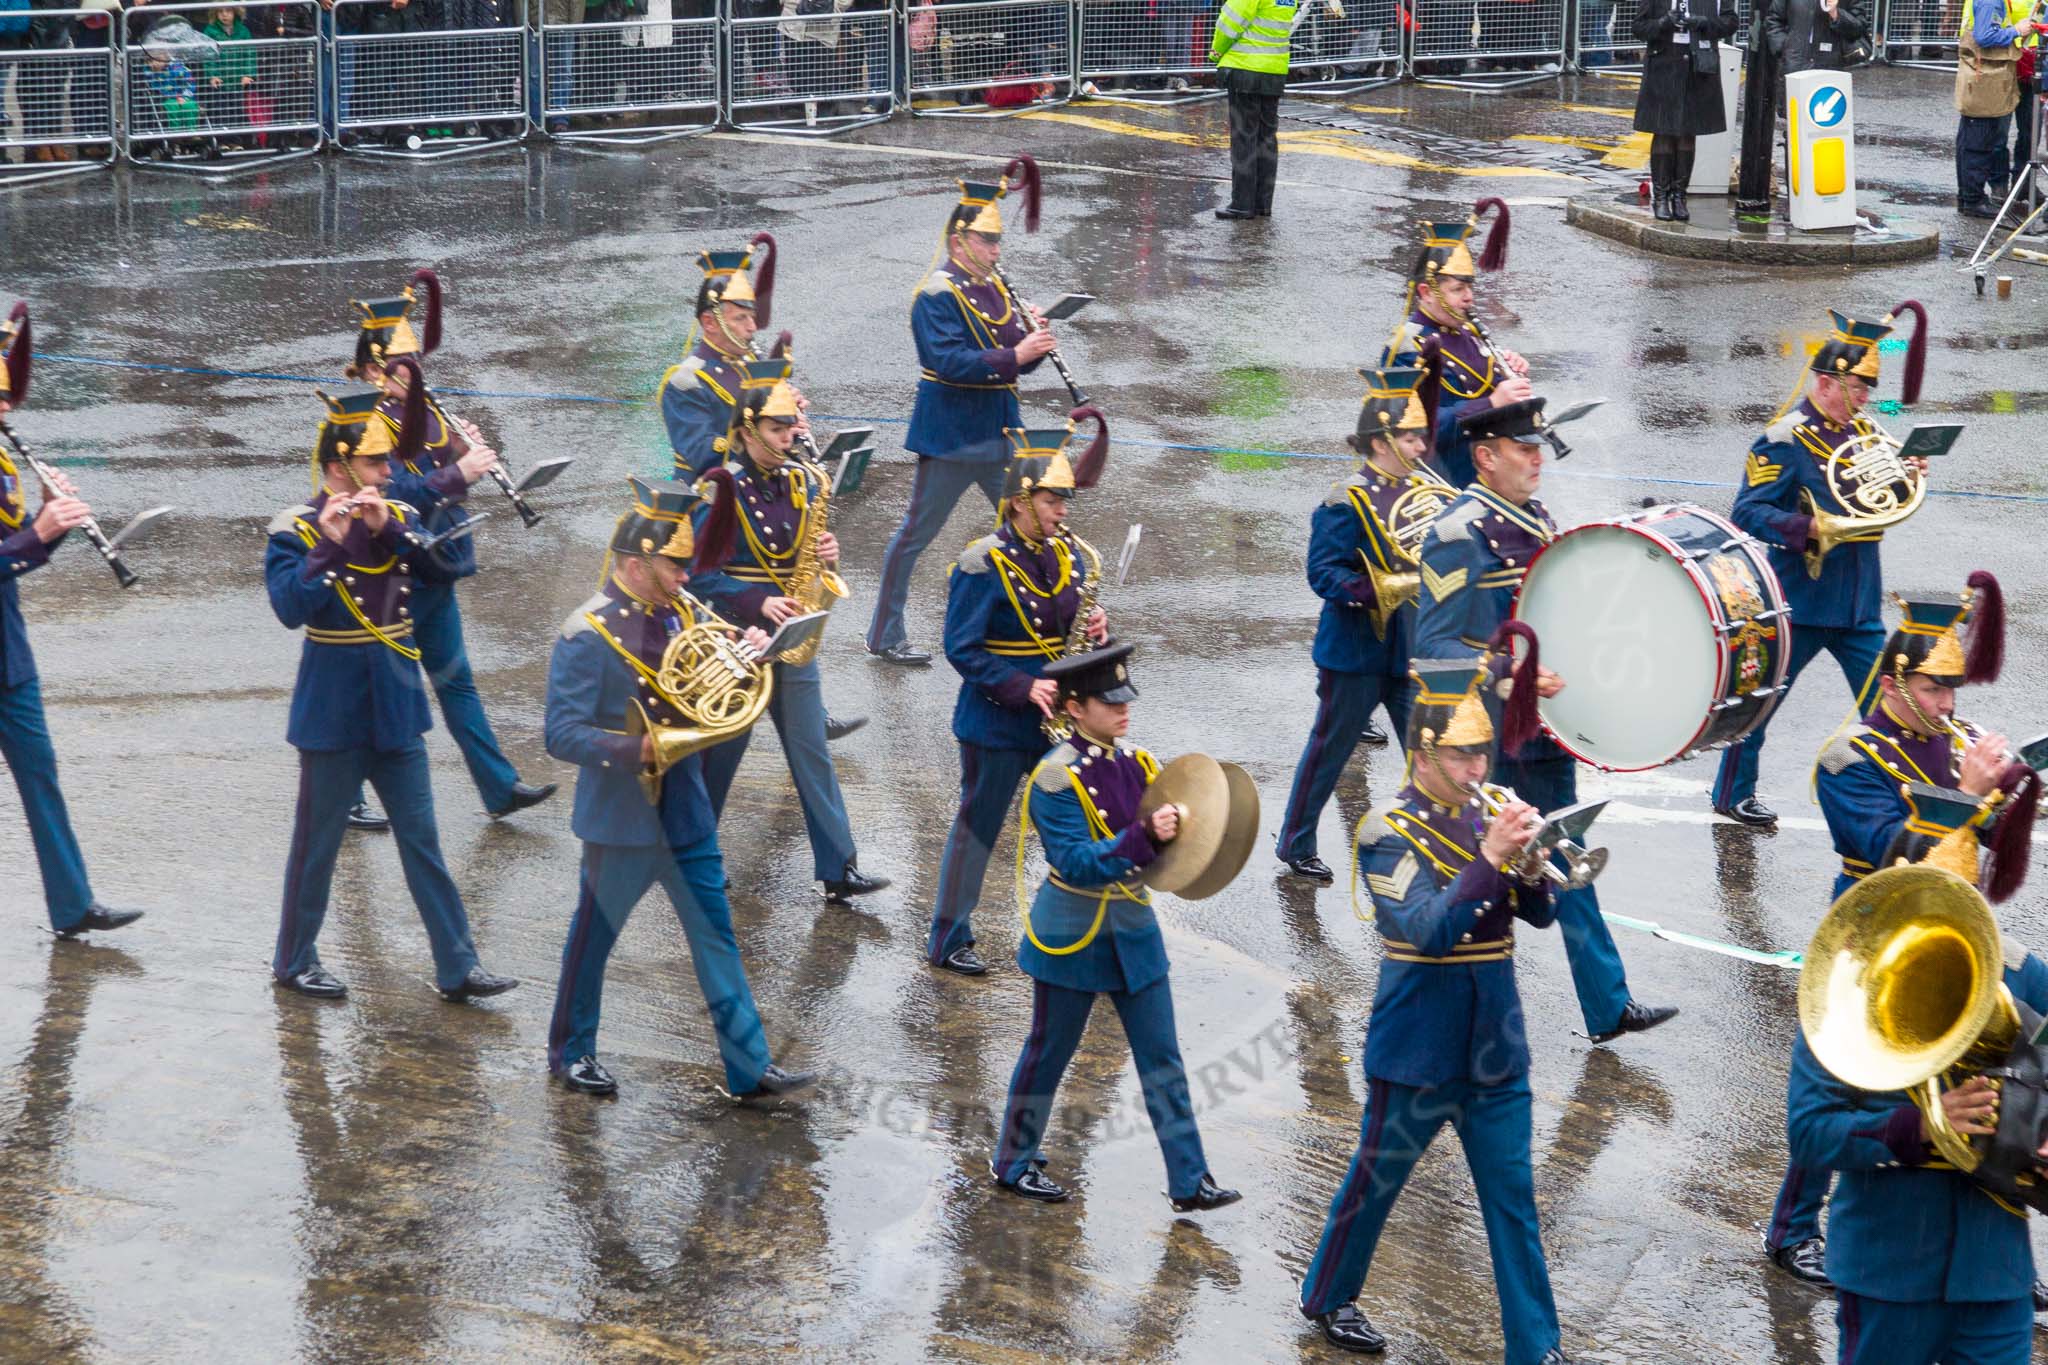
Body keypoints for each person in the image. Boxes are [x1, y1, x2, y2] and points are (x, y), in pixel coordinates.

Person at [1298, 648, 1574, 1365]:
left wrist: (1536, 863)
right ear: (1421, 751)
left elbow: (1540, 915)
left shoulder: (1495, 813)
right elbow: (1423, 930)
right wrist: (1490, 858)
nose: (1477, 769)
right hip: (1418, 1044)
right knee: (1375, 1181)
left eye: (1481, 752)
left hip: (1495, 1045)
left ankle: (1535, 1347)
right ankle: (1328, 1294)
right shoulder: (1384, 829)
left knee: (1514, 1203)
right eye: (1460, 755)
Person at [1764, 575, 2019, 1288]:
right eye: (1936, 690)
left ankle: (1995, 1214)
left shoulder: (1954, 738)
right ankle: (1791, 1228)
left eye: (1953, 691)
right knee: (1841, 1075)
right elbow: (1890, 850)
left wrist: (2017, 791)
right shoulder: (1849, 757)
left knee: (1982, 1058)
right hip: (1869, 928)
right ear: (1898, 680)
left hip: (1953, 925)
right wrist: (1969, 795)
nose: (1948, 706)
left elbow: (1995, 828)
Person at [1414, 396, 1678, 1045]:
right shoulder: (1455, 533)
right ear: (1485, 456)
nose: (1539, 456)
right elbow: (1432, 643)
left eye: (1538, 446)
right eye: (1523, 447)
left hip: (1541, 728)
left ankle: (1608, 1003)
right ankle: (1440, 1004)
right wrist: (1505, 670)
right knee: (1473, 868)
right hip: (1484, 735)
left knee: (1567, 854)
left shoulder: (1532, 516)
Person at [543, 476, 815, 1101]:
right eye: (675, 566)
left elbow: (709, 691)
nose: (687, 577)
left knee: (716, 937)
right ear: (637, 564)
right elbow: (561, 734)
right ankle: (571, 1051)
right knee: (593, 940)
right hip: (621, 818)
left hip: (686, 809)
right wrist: (636, 748)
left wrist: (747, 656)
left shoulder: (688, 613)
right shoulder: (587, 632)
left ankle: (749, 1067)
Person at [264, 387, 518, 1004]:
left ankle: (457, 966)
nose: (388, 473)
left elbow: (447, 568)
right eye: (377, 464)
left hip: (398, 711)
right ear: (337, 467)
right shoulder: (294, 528)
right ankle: (294, 960)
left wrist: (392, 532)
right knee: (317, 845)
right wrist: (333, 543)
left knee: (422, 841)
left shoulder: (398, 516)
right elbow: (291, 608)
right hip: (334, 712)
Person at [1784, 806, 2047, 1364]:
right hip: (1887, 1273)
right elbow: (1810, 1133)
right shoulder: (1839, 993)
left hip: (1995, 1273)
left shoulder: (2022, 973)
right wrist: (1925, 1127)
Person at [988, 640, 1241, 1214]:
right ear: (1074, 708)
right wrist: (1146, 835)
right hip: (1074, 929)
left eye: (1124, 699)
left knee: (1163, 1056)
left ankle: (1190, 1178)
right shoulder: (1054, 779)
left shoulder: (1139, 764)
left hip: (1132, 927)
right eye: (1108, 701)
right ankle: (1012, 1160)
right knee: (1049, 1053)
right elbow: (1077, 860)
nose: (1123, 710)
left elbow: (1170, 852)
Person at [341, 274, 557, 832]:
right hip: (389, 572)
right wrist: (454, 473)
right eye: (399, 366)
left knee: (456, 681)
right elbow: (385, 495)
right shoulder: (363, 423)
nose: (413, 374)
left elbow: (443, 482)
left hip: (434, 564)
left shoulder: (428, 412)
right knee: (381, 686)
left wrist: (467, 456)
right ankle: (341, 793)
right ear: (371, 371)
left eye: (416, 362)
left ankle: (499, 787)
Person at [1711, 303, 1931, 828]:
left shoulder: (1865, 434)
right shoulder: (1783, 440)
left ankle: (1912, 796)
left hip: (1858, 604)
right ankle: (1731, 794)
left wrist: (1906, 472)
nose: (1863, 401)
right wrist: (1809, 528)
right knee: (1758, 706)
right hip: (1800, 601)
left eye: (1865, 392)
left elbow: (1877, 502)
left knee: (1891, 704)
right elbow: (1747, 511)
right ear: (1828, 382)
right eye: (1856, 390)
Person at [688, 358, 888, 906]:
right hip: (737, 638)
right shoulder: (719, 489)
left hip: (793, 638)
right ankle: (692, 851)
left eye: (791, 428)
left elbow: (804, 554)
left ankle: (839, 866)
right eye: (777, 430)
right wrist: (757, 599)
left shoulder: (803, 481)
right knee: (724, 752)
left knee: (810, 751)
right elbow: (699, 576)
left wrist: (828, 557)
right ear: (748, 430)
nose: (789, 438)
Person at [926, 414, 1109, 976]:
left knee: (1072, 822)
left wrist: (1098, 624)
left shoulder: (1073, 555)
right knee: (978, 829)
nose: (1062, 513)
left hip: (1060, 719)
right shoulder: (981, 563)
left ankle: (1080, 931)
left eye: (1064, 503)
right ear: (1020, 502)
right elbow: (961, 648)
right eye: (1053, 502)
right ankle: (948, 937)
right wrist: (1022, 686)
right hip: (997, 721)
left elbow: (1071, 623)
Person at [865, 156, 1057, 667]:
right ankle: (884, 633)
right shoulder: (934, 294)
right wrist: (1015, 353)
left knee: (1035, 524)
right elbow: (945, 361)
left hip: (1000, 436)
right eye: (987, 241)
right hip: (950, 438)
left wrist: (1033, 342)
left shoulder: (996, 288)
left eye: (998, 242)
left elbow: (1014, 367)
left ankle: (1046, 623)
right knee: (914, 538)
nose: (996, 251)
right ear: (959, 242)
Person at [0, 303, 142, 938]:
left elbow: (15, 561)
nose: (7, 412)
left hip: (9, 655)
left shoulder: (4, 469)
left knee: (41, 775)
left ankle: (72, 903)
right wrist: (36, 537)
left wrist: (51, 528)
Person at [1273, 362, 1439, 884]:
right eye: (1411, 437)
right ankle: (1294, 843)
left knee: (1431, 750)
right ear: (1382, 440)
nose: (1420, 447)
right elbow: (1322, 573)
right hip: (1354, 651)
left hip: (1408, 645)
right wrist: (1378, 589)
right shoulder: (1344, 500)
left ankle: (1436, 844)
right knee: (1329, 750)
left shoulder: (1423, 492)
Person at [1384, 203, 1528, 490]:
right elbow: (1418, 431)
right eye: (1458, 290)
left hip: (1486, 473)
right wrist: (1492, 402)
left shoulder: (1468, 330)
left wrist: (1510, 374)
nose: (1469, 298)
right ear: (1426, 292)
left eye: (1469, 288)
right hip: (1442, 481)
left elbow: (1488, 385)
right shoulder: (1408, 346)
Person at [661, 236, 778, 479]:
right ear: (710, 323)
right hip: (712, 500)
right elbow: (703, 456)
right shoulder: (685, 381)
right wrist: (767, 436)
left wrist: (788, 423)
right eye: (740, 318)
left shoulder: (754, 365)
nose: (752, 327)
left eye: (752, 317)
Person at [1632, 0, 1739, 222]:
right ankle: (1661, 197)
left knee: (1688, 133)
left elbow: (1730, 23)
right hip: (1663, 65)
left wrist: (1703, 23)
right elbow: (1639, 28)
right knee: (1663, 131)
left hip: (1699, 66)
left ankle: (1679, 196)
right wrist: (1663, 23)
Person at [1957, 0, 2046, 218]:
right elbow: (1985, 35)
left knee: (2014, 133)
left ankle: (1977, 196)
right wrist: (2016, 30)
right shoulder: (1990, 1)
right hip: (1990, 70)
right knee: (1983, 137)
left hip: (2008, 64)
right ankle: (1977, 196)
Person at [1209, 0, 1291, 220]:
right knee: (1266, 138)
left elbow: (1230, 23)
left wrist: (1216, 52)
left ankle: (1242, 204)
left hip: (1245, 67)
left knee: (1244, 137)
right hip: (1274, 69)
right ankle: (1262, 203)